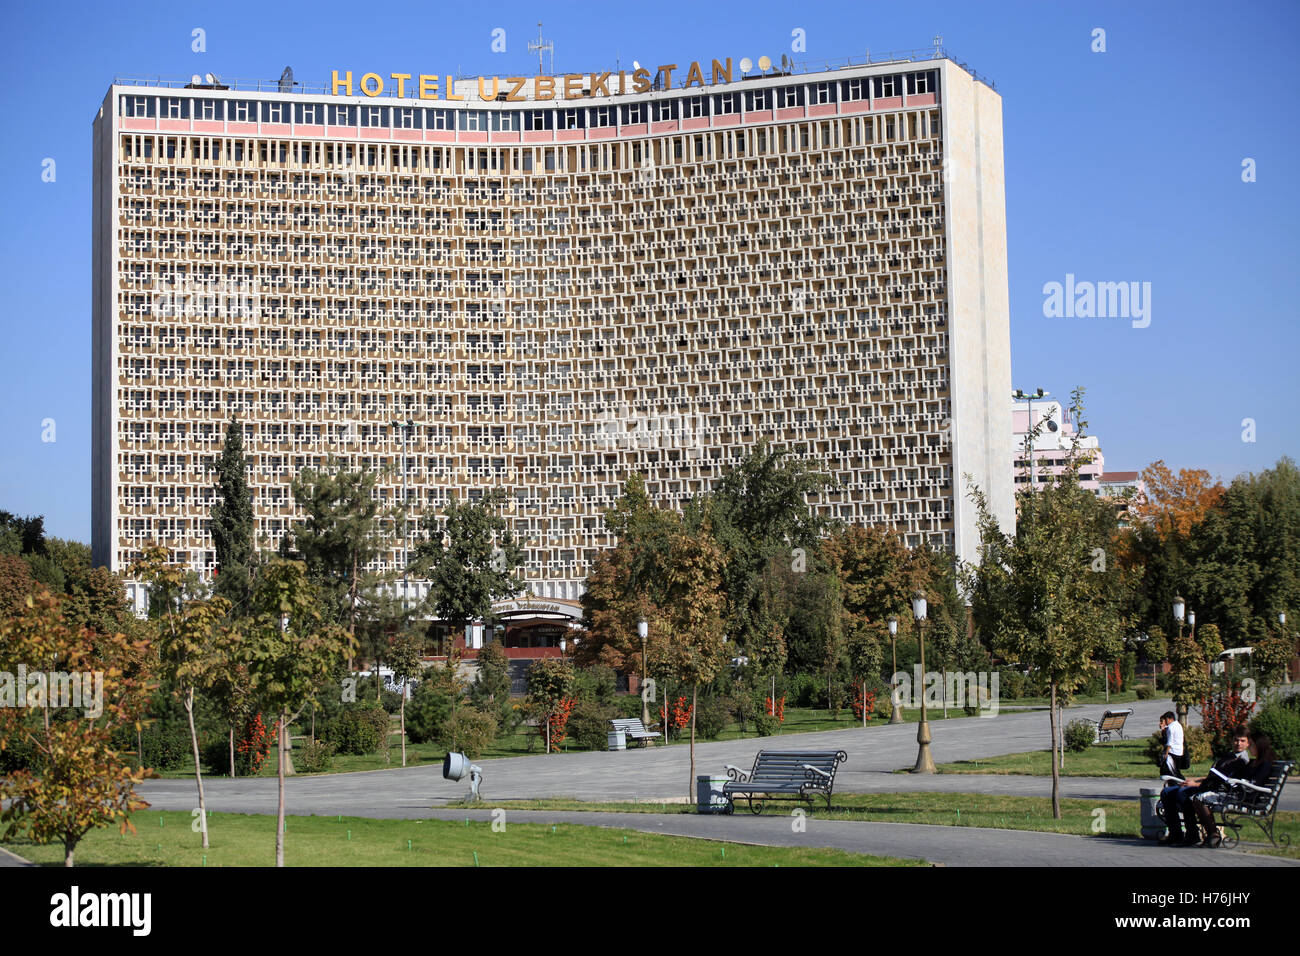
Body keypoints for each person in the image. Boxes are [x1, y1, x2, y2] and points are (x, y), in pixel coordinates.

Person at [1158, 726, 1251, 847]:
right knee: (1167, 792)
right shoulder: (1228, 756)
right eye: (1236, 740)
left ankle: (1192, 834)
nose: (1238, 743)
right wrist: (1195, 780)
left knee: (1183, 794)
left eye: (1242, 741)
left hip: (1217, 790)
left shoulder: (1241, 760)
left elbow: (1221, 782)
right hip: (1207, 784)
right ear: (1231, 741)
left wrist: (1196, 784)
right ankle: (1175, 834)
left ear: (1248, 743)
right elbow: (1213, 776)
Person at [1190, 730, 1277, 847]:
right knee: (1196, 798)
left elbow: (1254, 784)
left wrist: (1239, 783)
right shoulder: (1254, 762)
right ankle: (1212, 834)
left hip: (1246, 798)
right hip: (1238, 793)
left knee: (1200, 799)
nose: (1249, 747)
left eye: (1250, 744)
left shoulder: (1264, 764)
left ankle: (1213, 835)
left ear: (1258, 746)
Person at [1157, 711, 1185, 780]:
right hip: (1179, 751)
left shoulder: (1171, 727)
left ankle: (1182, 781)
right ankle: (1180, 781)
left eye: (1166, 720)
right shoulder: (1178, 725)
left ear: (1169, 719)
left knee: (1172, 771)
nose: (1166, 722)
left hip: (1172, 751)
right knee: (1176, 769)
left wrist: (1166, 753)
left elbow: (1170, 742)